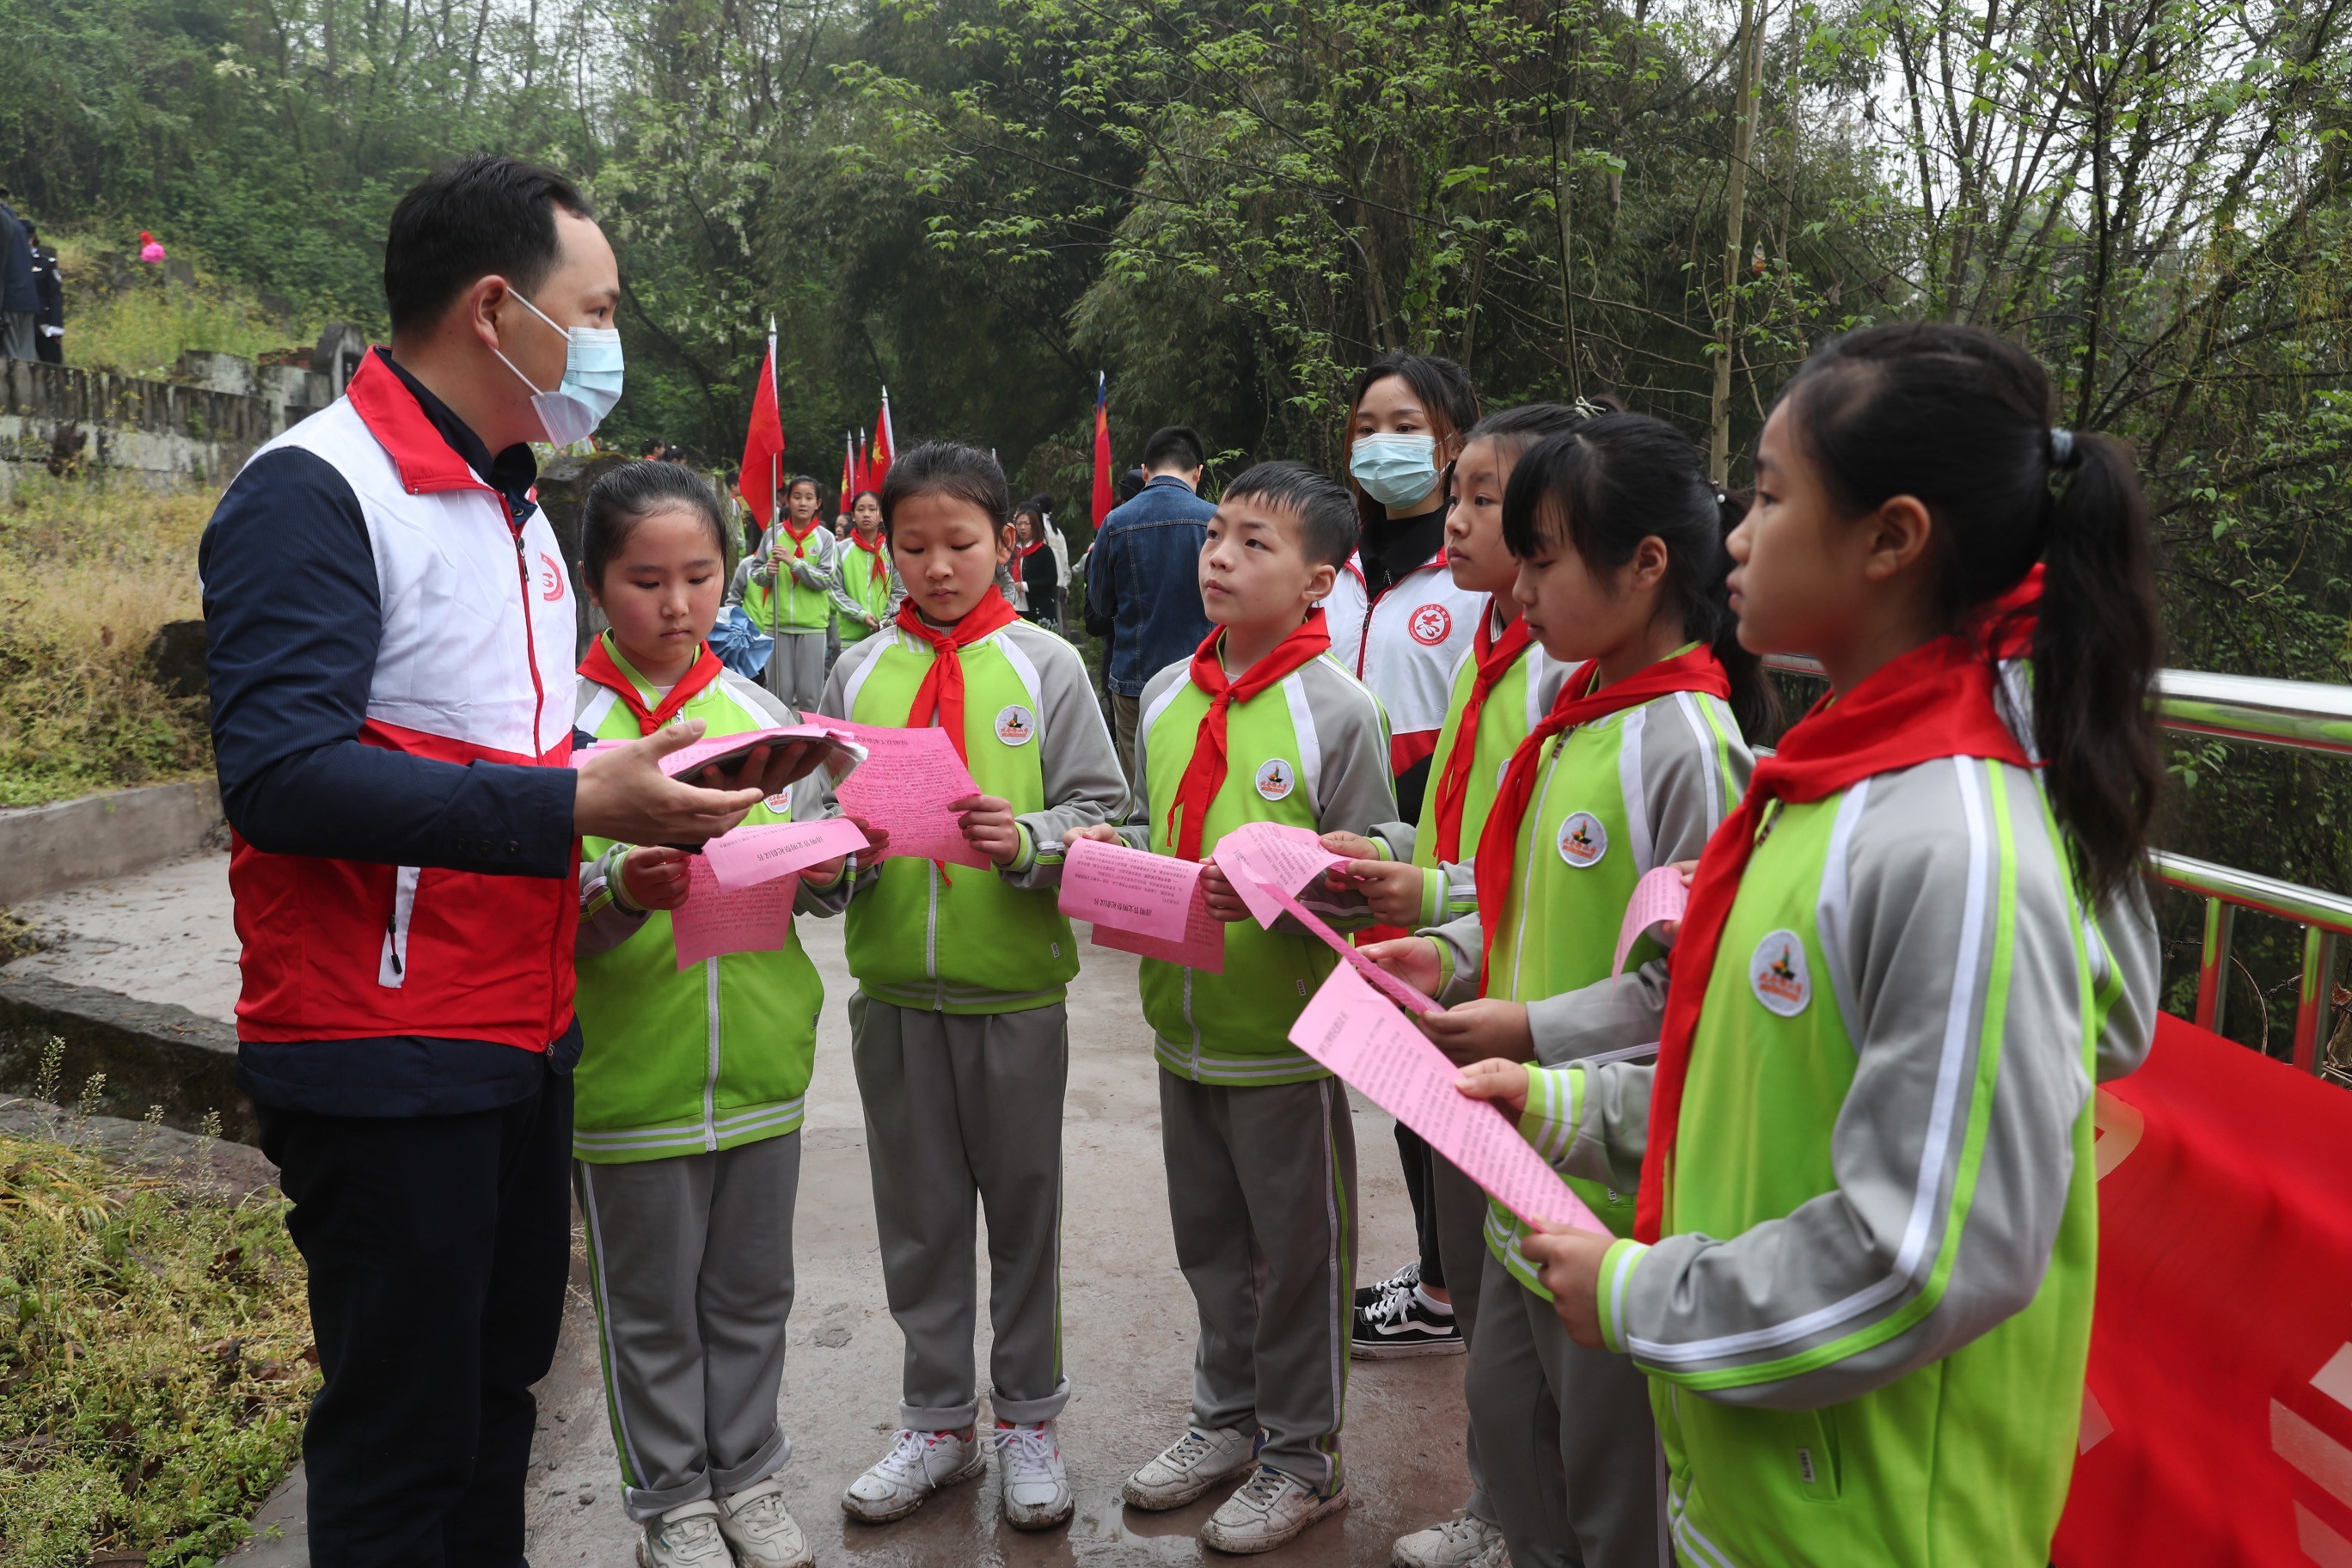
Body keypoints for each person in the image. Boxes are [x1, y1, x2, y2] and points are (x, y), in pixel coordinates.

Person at [1455, 322, 2163, 1567]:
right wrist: (1567, 1103)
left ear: (1893, 538)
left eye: (1773, 496)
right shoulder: (1828, 791)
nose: (1738, 533)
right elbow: (1755, 1085)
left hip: (1868, 1523)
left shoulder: (1956, 842)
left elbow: (1922, 1257)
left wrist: (1639, 1297)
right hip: (1754, 1488)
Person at [197, 154, 818, 1565]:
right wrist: (570, 804)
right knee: (403, 1437)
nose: (608, 338)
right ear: (495, 308)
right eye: (593, 308)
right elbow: (283, 773)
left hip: (522, 1035)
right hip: (384, 1046)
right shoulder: (315, 491)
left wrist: (639, 802)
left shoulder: (515, 508)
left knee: (491, 1405)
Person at [1367, 413, 1767, 1568]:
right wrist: (1451, 958)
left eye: (1545, 557)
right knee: (1509, 1426)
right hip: (1518, 1154)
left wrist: (1535, 1028)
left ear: (1647, 566)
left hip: (1606, 1177)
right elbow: (1535, 918)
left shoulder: (1689, 747)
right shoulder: (1574, 716)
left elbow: (1685, 987)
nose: (1524, 585)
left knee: (1609, 1478)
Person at [1072, 461, 1391, 1554]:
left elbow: (1381, 858)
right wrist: (1125, 855)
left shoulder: (1340, 707)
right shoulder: (1167, 692)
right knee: (1211, 1244)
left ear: (1318, 583)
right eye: (1217, 534)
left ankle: (1306, 1457)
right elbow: (1164, 827)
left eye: (1256, 543)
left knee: (1298, 1256)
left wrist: (1322, 870)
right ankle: (1225, 1420)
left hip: (1287, 1040)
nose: (1220, 555)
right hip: (1181, 1022)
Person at [820, 441, 1125, 1535]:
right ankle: (937, 1422)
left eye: (961, 544)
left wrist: (1032, 837)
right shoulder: (858, 670)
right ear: (883, 546)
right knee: (920, 1219)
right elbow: (821, 817)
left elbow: (1105, 808)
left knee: (1024, 1214)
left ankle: (1029, 1422)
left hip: (1014, 995)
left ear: (1010, 541)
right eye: (912, 546)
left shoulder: (1047, 666)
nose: (937, 567)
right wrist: (833, 851)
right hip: (894, 990)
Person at [569, 462, 871, 1568]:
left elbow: (808, 880)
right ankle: (672, 1504)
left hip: (758, 1059)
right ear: (596, 585)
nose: (679, 605)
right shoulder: (556, 729)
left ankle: (746, 1479)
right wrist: (614, 891)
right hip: (626, 1073)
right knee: (648, 1309)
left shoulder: (757, 716)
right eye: (646, 580)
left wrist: (840, 854)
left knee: (752, 1293)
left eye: (699, 575)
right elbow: (522, 910)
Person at [1315, 401, 1595, 1568]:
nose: (1464, 515)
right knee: (1483, 1291)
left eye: (1491, 499)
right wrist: (1395, 859)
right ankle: (1504, 1504)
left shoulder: (1567, 681)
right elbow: (1463, 831)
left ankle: (1560, 1520)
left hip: (1542, 1031)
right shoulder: (1489, 656)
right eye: (1464, 492)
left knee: (1552, 1307)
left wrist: (1433, 906)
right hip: (1465, 996)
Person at [1326, 352, 1489, 1357]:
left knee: (1456, 1069)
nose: (1379, 444)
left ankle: (1451, 1287)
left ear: (1453, 440)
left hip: (1446, 853)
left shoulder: (1474, 580)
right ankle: (1439, 1274)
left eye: (1404, 425)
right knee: (1398, 1077)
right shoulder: (1338, 567)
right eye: (1365, 425)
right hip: (1355, 847)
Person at [1085, 426, 1217, 770]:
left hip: (1134, 679)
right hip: (1203, 679)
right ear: (1198, 472)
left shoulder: (1116, 522)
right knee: (1197, 778)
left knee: (1139, 794)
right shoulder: (1216, 521)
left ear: (1145, 471)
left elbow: (1100, 605)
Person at [725, 473, 845, 710]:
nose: (802, 503)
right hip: (776, 625)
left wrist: (794, 562)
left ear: (818, 504)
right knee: (778, 695)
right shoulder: (773, 535)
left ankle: (811, 743)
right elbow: (756, 575)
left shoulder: (826, 538)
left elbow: (825, 579)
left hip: (811, 626)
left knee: (810, 697)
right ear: (787, 500)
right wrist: (768, 573)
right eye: (797, 497)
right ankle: (780, 744)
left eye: (809, 498)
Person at [834, 487, 891, 646]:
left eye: (872, 509)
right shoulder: (840, 550)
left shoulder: (892, 549)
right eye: (861, 509)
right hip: (851, 638)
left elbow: (901, 589)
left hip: (887, 635)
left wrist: (888, 618)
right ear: (853, 515)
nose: (866, 514)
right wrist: (860, 614)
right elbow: (835, 590)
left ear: (880, 515)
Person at [1012, 498, 1061, 628]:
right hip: (1015, 607)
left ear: (1035, 525)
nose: (1022, 528)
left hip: (1039, 608)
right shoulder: (1011, 552)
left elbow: (1052, 579)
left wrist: (1026, 585)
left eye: (1027, 524)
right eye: (1019, 524)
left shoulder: (1043, 551)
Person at [0, 189, 36, 361]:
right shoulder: (16, 222)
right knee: (26, 357)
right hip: (26, 296)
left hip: (10, 296)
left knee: (12, 358)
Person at [26, 223, 62, 364]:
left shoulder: (46, 264)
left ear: (32, 238)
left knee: (52, 364)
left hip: (43, 324)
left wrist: (56, 324)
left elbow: (55, 296)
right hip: (21, 322)